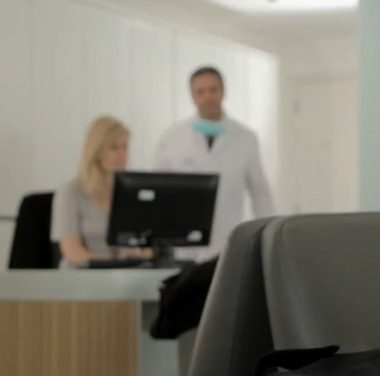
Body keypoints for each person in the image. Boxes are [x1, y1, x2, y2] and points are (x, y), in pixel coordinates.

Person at [153, 66, 275, 259]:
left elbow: (260, 193)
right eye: (200, 92)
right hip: (183, 245)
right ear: (192, 96)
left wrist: (266, 237)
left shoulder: (245, 138)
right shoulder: (173, 138)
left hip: (228, 241)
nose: (207, 97)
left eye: (213, 90)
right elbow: (159, 194)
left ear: (223, 91)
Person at [51, 115, 148, 268]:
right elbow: (72, 252)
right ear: (96, 151)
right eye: (114, 147)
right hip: (82, 281)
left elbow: (149, 246)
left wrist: (139, 255)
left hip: (123, 279)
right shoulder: (71, 191)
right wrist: (115, 264)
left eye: (125, 147)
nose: (122, 154)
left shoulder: (130, 193)